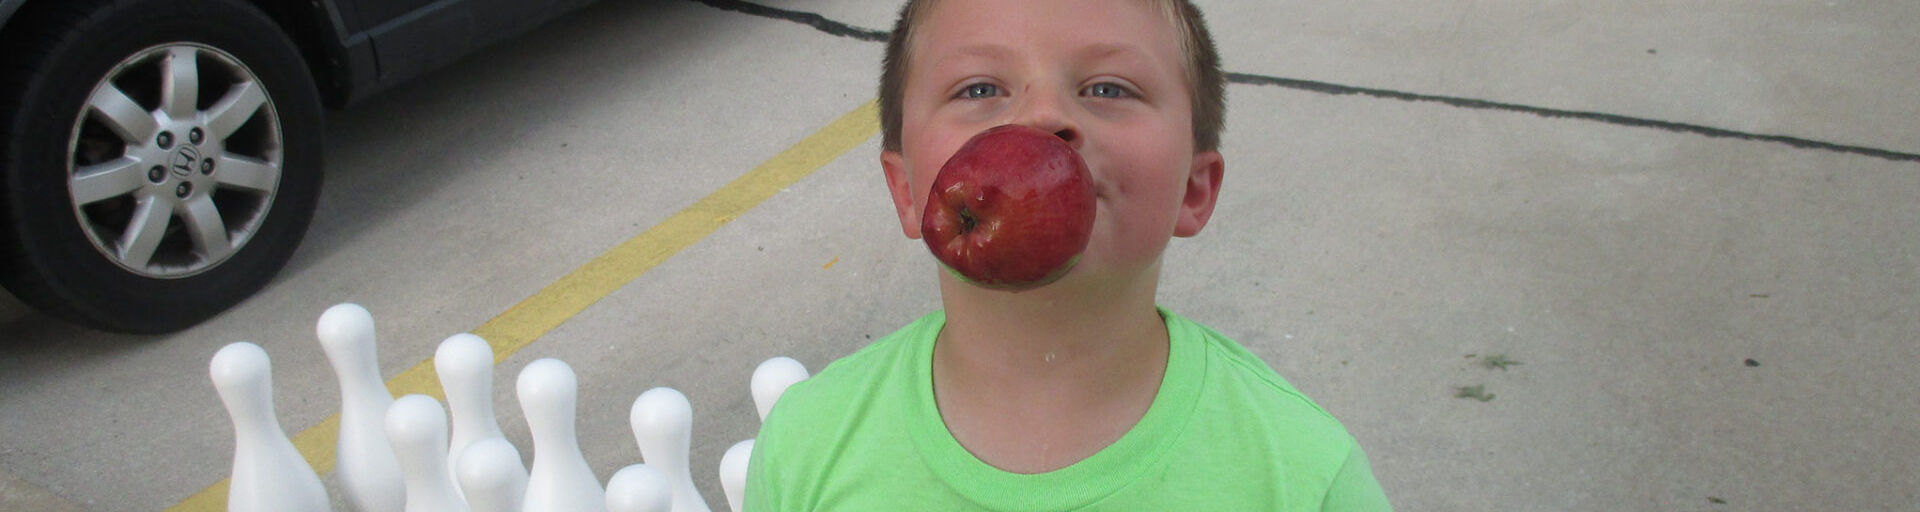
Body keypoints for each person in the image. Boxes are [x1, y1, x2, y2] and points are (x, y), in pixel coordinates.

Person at [746, 0, 1391, 509]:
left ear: (1194, 191)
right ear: (909, 190)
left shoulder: (1304, 474)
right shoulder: (806, 445)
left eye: (1108, 88)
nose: (1043, 116)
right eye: (978, 89)